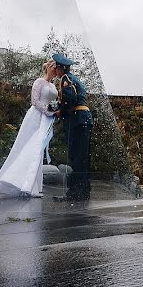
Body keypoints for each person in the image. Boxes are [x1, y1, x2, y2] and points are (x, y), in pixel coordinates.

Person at [0, 59, 58, 197]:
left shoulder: (54, 86)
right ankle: (23, 182)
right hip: (36, 116)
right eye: (55, 68)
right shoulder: (39, 82)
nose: (56, 71)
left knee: (37, 150)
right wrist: (48, 111)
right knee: (32, 147)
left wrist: (55, 110)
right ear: (49, 68)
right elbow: (34, 101)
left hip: (47, 119)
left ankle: (31, 184)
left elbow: (54, 101)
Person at [53, 53, 92, 201]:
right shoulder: (74, 79)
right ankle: (83, 191)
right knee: (83, 158)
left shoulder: (66, 79)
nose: (55, 71)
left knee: (77, 157)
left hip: (77, 120)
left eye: (56, 68)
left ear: (61, 68)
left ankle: (75, 193)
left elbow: (70, 99)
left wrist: (60, 112)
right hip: (83, 120)